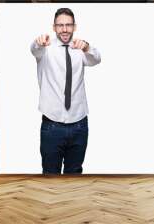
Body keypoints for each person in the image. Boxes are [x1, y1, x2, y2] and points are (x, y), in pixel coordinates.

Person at [30, 8, 101, 174]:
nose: (64, 29)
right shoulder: (45, 49)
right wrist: (38, 42)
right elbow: (34, 49)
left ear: (74, 27)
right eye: (60, 25)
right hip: (52, 125)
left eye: (68, 25)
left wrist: (87, 47)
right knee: (50, 174)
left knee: (75, 174)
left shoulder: (79, 48)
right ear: (54, 27)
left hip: (79, 124)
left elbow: (96, 59)